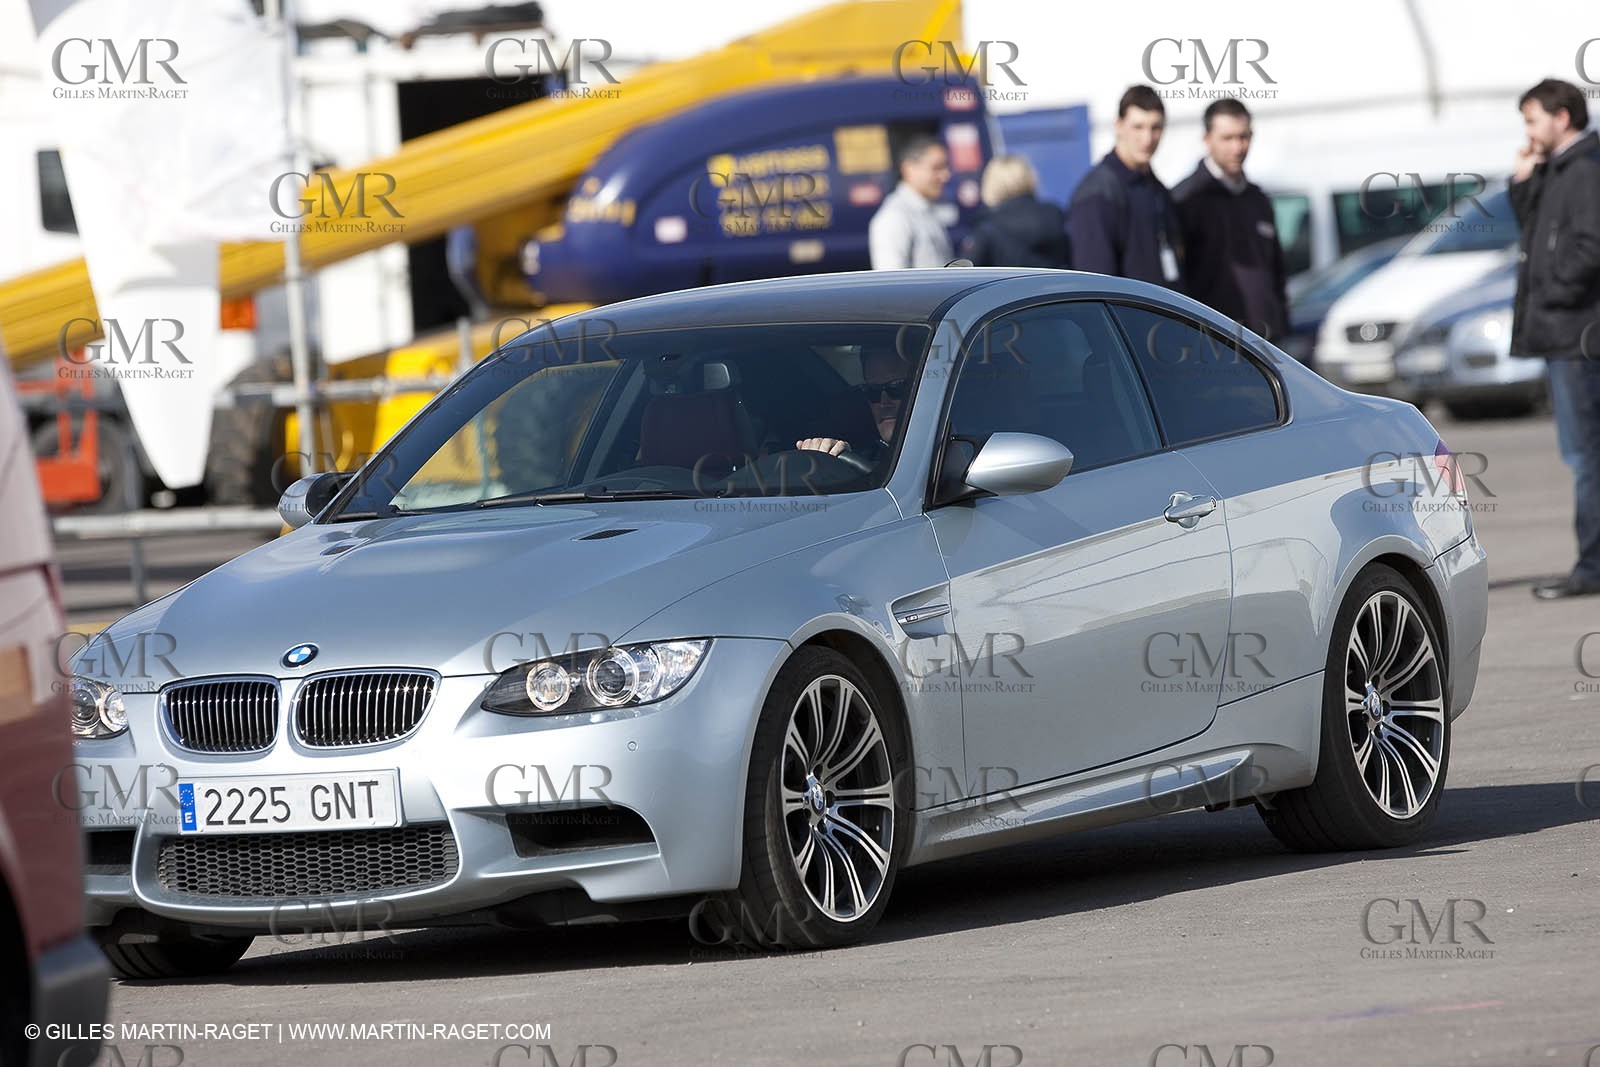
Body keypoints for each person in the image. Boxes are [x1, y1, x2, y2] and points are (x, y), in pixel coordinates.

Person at [1508, 79, 1600, 600]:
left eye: (1532, 119)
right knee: (1585, 453)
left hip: (1578, 337)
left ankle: (1591, 567)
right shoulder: (1560, 169)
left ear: (1561, 118)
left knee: (1585, 455)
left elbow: (1589, 247)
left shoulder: (1584, 170)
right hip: (1567, 333)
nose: (1528, 131)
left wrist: (1552, 293)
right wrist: (1525, 179)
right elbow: (1532, 230)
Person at [1171, 97, 1288, 340]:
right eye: (1227, 138)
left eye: (1243, 137)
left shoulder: (1258, 200)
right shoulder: (1186, 201)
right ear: (1207, 139)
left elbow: (1276, 272)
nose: (1237, 148)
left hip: (1266, 344)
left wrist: (1281, 322)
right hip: (1210, 345)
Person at [1066, 84, 1184, 290]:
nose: (1147, 139)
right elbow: (1096, 285)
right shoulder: (1098, 194)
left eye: (1155, 127)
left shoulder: (1156, 189)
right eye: (1138, 127)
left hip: (1166, 316)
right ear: (1119, 125)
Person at [797, 347, 908, 465]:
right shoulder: (865, 458)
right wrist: (830, 459)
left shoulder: (928, 464)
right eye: (872, 391)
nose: (884, 403)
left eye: (896, 387)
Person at [962, 155, 1071, 268]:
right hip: (1053, 284)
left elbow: (966, 272)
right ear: (1030, 178)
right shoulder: (1054, 214)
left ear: (990, 184)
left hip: (1009, 285)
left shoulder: (987, 225)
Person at [868, 135, 955, 269]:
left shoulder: (926, 211)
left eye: (945, 167)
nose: (945, 176)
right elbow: (892, 282)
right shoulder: (894, 217)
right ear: (909, 168)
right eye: (937, 167)